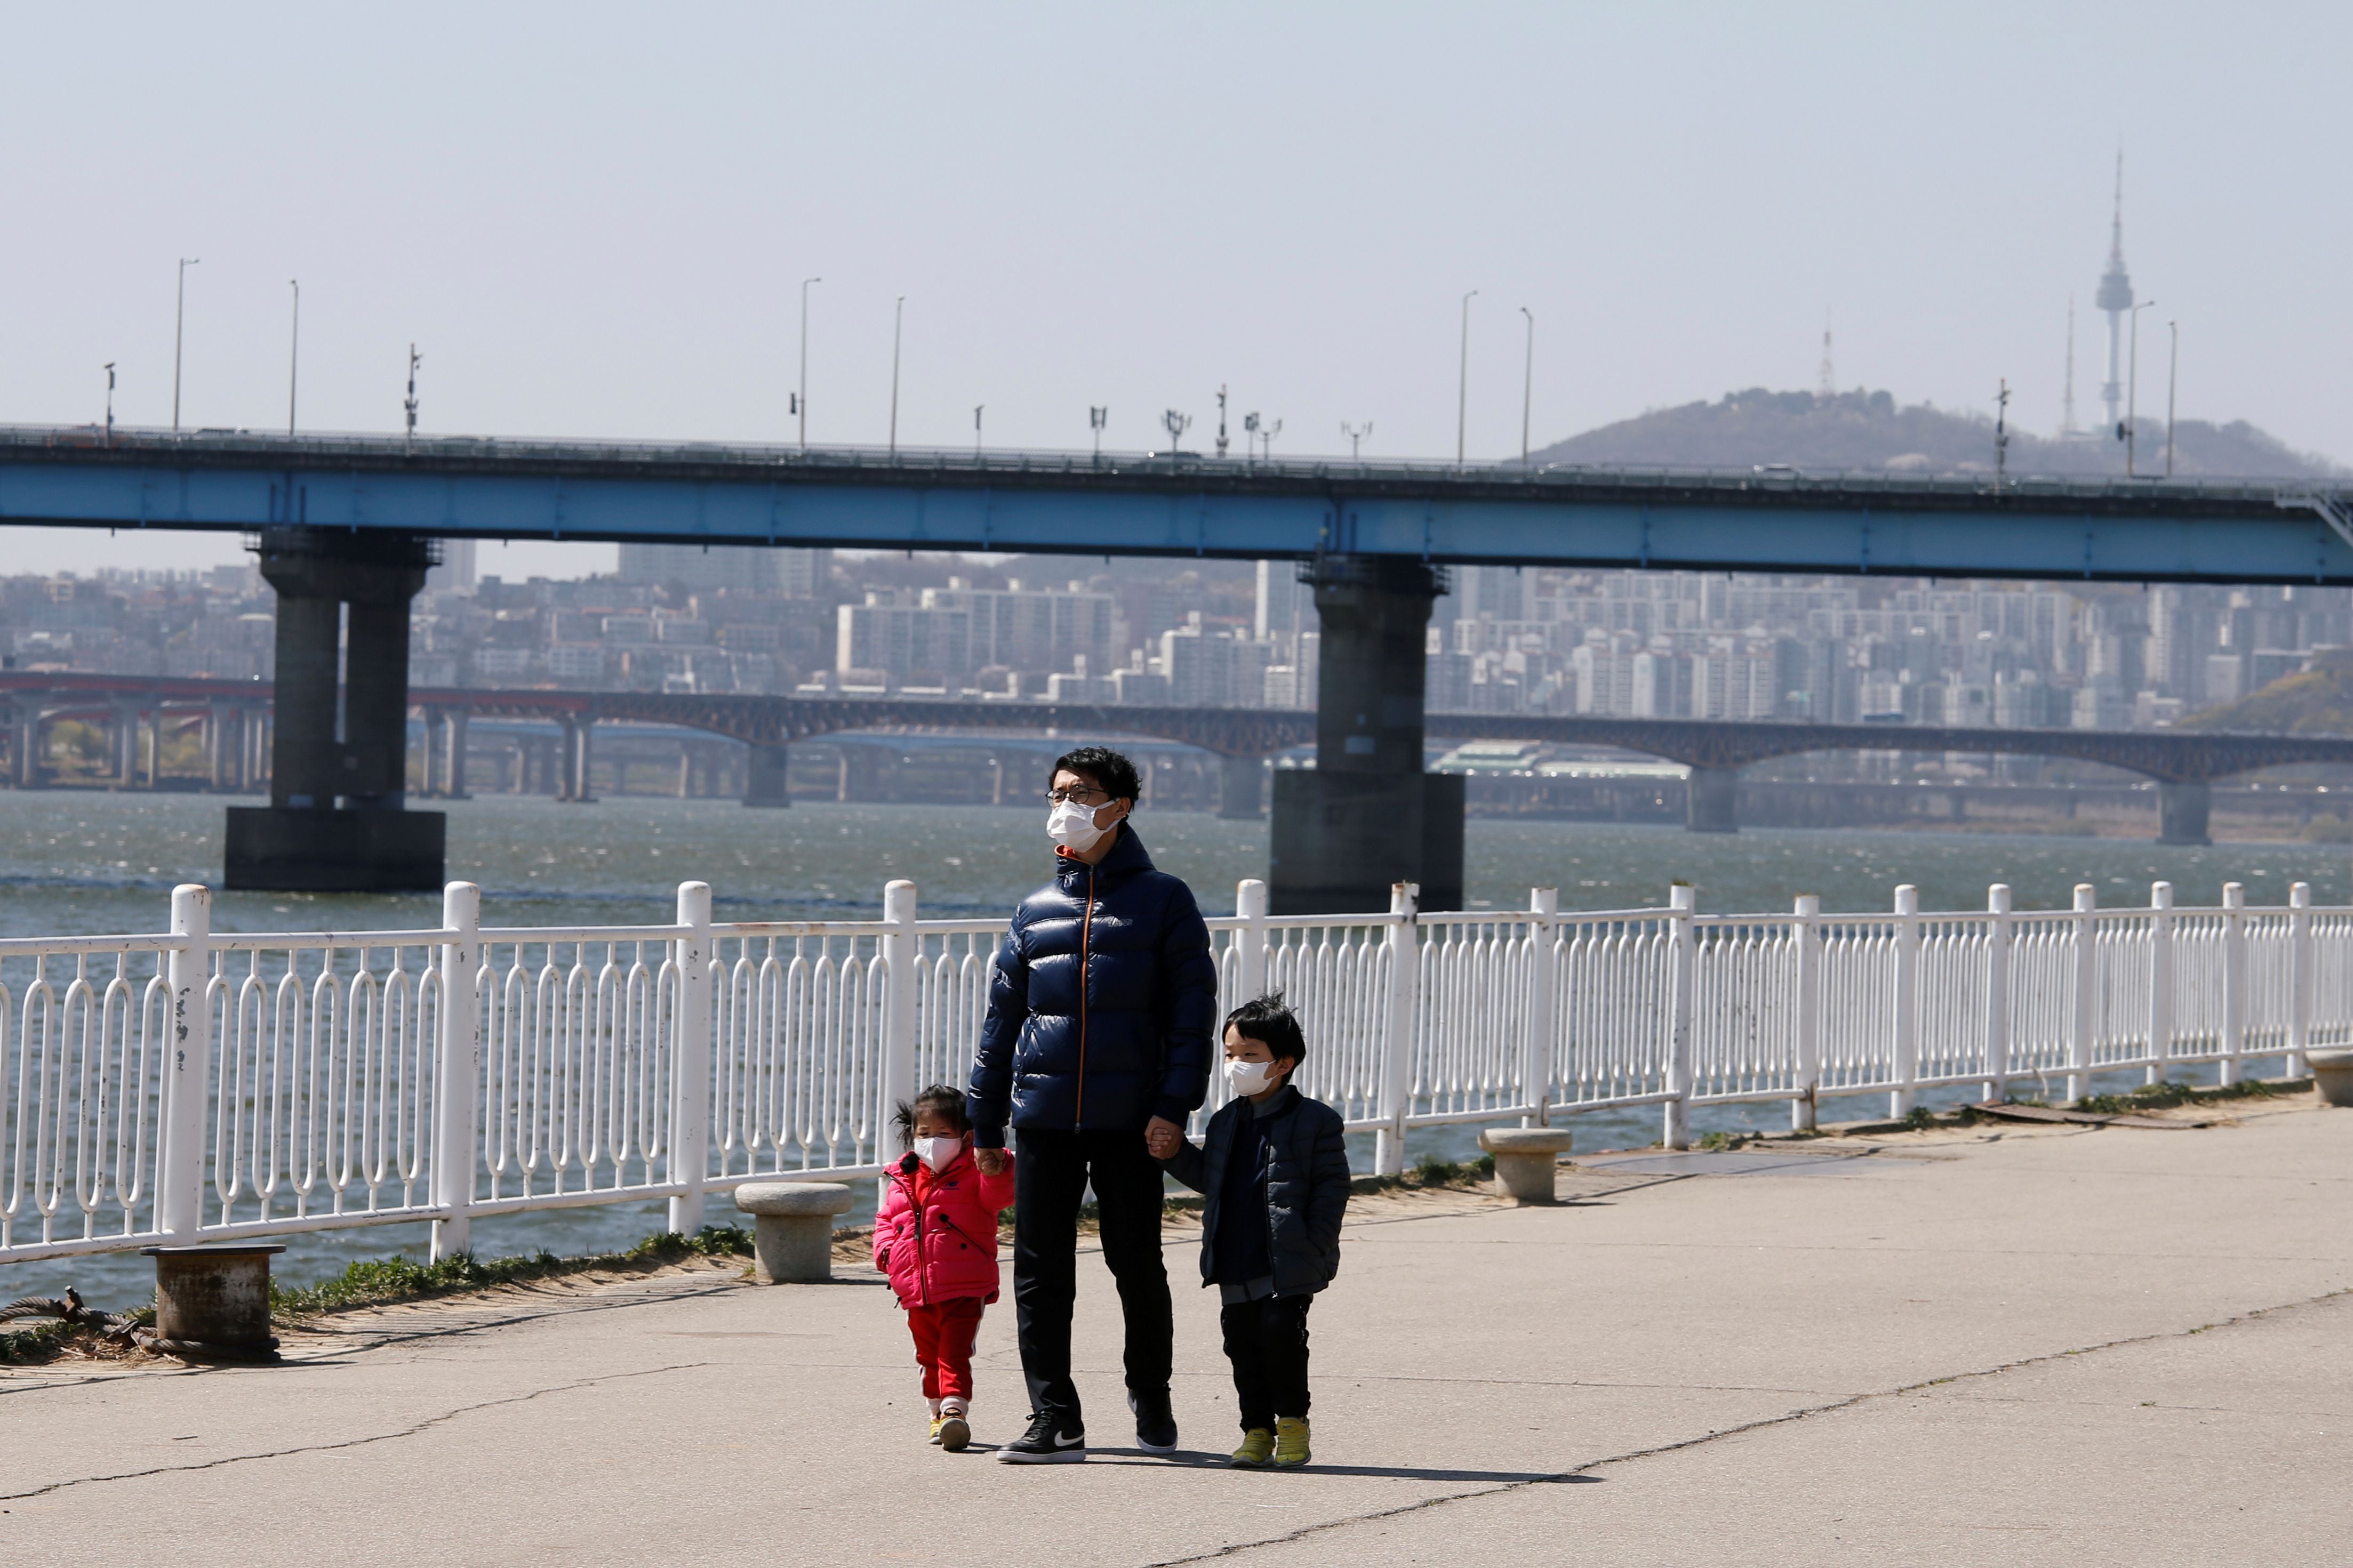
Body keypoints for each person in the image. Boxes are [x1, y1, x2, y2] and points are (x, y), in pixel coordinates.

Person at [968, 745, 1219, 1464]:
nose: (1065, 805)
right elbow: (1000, 1026)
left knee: (1135, 1263)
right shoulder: (1035, 910)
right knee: (1040, 1271)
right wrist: (987, 1121)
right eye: (1057, 792)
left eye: (1080, 792)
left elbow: (1190, 1015)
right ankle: (1055, 1414)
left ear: (1121, 806)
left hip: (1132, 1120)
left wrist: (1174, 1106)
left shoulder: (1164, 900)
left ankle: (1153, 1392)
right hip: (1044, 1117)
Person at [1156, 994, 1348, 1469]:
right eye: (1230, 1054)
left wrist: (1314, 1239)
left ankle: (1292, 1424)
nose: (1236, 1065)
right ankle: (1256, 1430)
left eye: (1250, 1055)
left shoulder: (1317, 1121)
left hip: (1287, 1257)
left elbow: (1332, 1187)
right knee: (1241, 1343)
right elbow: (1210, 1179)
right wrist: (1175, 1153)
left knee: (1281, 1337)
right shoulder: (1225, 1123)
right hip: (1235, 1254)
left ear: (1283, 1063)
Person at [873, 1084, 1017, 1453]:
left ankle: (956, 1410)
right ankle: (937, 1412)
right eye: (925, 1133)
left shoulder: (976, 1170)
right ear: (912, 1134)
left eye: (944, 1133)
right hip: (915, 1286)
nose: (932, 1141)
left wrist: (997, 1164)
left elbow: (1000, 1196)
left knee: (953, 1351)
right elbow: (887, 1220)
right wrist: (886, 1252)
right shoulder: (905, 1176)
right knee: (927, 1354)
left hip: (965, 1284)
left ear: (965, 1136)